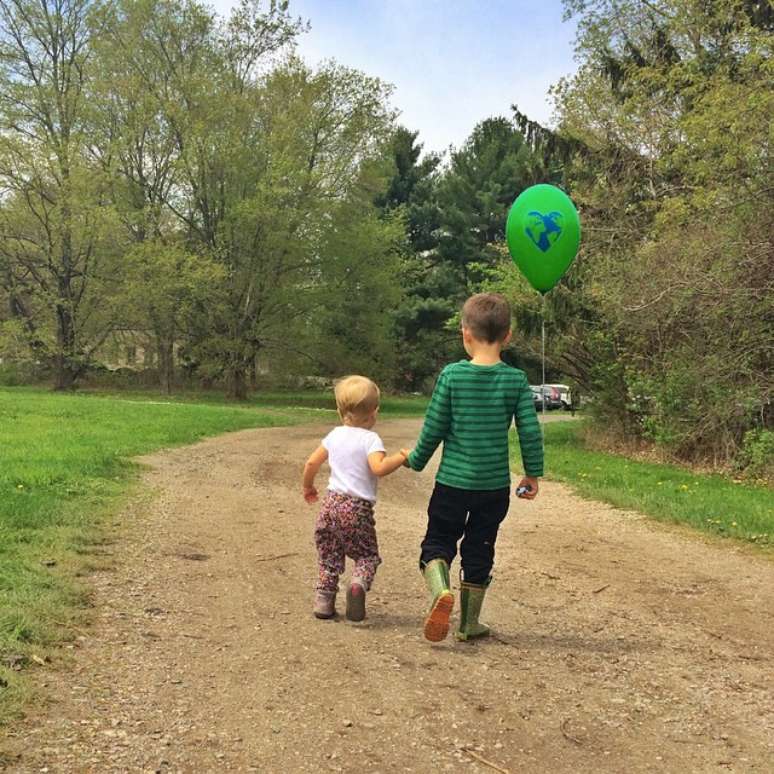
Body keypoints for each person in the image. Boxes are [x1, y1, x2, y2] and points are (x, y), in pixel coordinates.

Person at [402, 293, 543, 642]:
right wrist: (532, 474)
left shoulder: (451, 376)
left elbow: (435, 425)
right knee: (480, 548)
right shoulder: (515, 381)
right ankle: (468, 623)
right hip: (492, 489)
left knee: (438, 541)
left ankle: (440, 592)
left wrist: (416, 459)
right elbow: (529, 430)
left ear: (465, 333)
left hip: (452, 483)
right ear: (508, 336)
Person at [302, 375, 407, 621]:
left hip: (330, 504)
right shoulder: (371, 439)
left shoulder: (334, 435)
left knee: (329, 555)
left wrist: (308, 487)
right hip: (356, 509)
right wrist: (402, 457)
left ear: (340, 411)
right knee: (367, 555)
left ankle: (324, 602)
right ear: (374, 412)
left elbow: (311, 462)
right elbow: (379, 468)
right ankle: (358, 583)